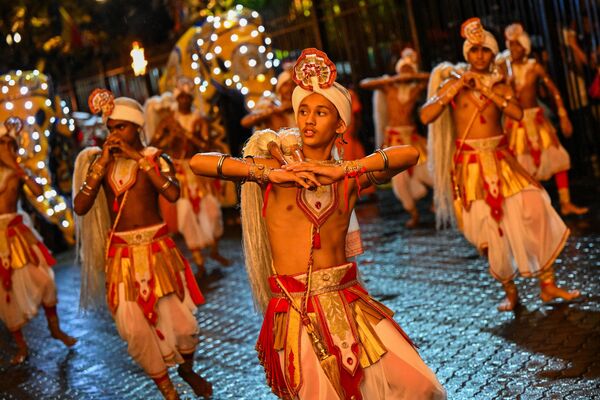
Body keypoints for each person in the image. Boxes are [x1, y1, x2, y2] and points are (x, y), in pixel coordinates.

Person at [191, 48, 445, 400]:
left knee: (418, 385)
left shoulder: (349, 180)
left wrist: (344, 168)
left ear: (340, 125)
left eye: (321, 112)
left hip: (350, 303)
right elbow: (198, 162)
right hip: (297, 310)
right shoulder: (273, 173)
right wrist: (266, 172)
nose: (308, 120)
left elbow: (409, 154)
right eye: (304, 111)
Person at [420, 18, 580, 312]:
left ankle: (547, 285)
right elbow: (426, 116)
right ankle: (510, 290)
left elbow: (518, 114)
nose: (480, 56)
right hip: (470, 167)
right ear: (467, 52)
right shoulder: (451, 82)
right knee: (487, 232)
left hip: (503, 160)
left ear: (493, 54)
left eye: (485, 51)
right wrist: (457, 87)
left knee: (535, 207)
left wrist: (490, 91)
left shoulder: (501, 83)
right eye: (474, 50)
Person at [72, 91, 211, 400]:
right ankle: (168, 392)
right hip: (121, 257)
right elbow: (80, 206)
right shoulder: (101, 164)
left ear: (137, 128)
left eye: (121, 127)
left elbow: (173, 195)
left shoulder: (155, 157)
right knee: (134, 331)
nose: (115, 134)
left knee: (184, 326)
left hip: (158, 251)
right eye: (111, 128)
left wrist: (139, 159)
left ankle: (187, 370)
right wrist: (102, 164)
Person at [0, 117, 76, 365]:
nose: (7, 150)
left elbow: (39, 191)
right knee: (5, 294)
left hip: (20, 233)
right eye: (2, 145)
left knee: (45, 280)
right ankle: (21, 347)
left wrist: (20, 169)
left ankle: (55, 329)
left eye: (9, 145)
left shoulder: (17, 172)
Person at [498, 23, 587, 215]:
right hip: (516, 124)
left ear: (525, 47)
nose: (513, 50)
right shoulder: (504, 70)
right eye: (510, 45)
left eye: (517, 46)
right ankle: (535, 209)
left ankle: (565, 203)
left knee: (558, 158)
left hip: (536, 120)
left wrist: (563, 115)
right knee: (522, 166)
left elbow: (554, 91)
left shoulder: (534, 67)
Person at [149, 77, 230, 278]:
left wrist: (187, 135)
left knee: (211, 210)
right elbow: (153, 143)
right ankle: (199, 262)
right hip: (179, 172)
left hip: (197, 169)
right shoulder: (168, 121)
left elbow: (205, 145)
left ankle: (213, 250)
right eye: (181, 97)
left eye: (187, 97)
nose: (184, 101)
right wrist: (171, 137)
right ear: (177, 99)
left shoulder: (199, 120)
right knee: (185, 214)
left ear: (191, 99)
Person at [360, 48, 432, 227]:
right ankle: (413, 213)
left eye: (409, 70)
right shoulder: (389, 87)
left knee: (429, 169)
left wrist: (411, 77)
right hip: (394, 138)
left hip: (412, 137)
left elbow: (429, 77)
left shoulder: (415, 88)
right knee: (398, 179)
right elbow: (365, 83)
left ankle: (436, 201)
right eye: (403, 69)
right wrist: (393, 79)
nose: (405, 74)